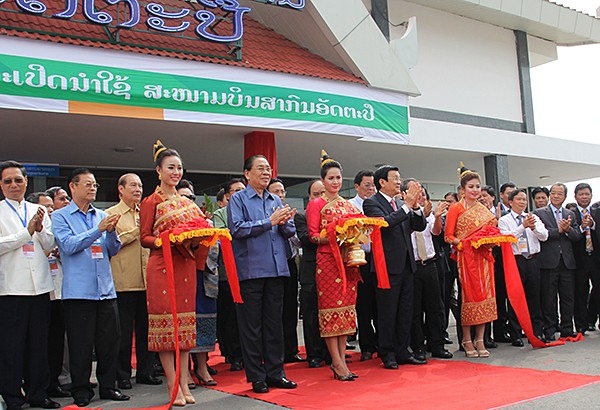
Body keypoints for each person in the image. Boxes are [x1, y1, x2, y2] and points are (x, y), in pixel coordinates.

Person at [140, 141, 208, 406]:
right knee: (166, 329)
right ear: (158, 171)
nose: (175, 172)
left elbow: (195, 237)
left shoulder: (186, 203)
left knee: (185, 327)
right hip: (161, 266)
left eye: (179, 167)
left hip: (185, 266)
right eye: (170, 167)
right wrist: (165, 240)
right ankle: (172, 383)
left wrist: (195, 238)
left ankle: (184, 380)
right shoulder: (151, 201)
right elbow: (144, 236)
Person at [52, 168, 128, 406]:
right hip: (79, 292)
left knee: (109, 343)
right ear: (73, 187)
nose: (93, 188)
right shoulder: (61, 216)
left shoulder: (101, 215)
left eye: (95, 184)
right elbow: (68, 245)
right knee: (81, 345)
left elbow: (112, 250)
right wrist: (99, 229)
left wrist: (112, 233)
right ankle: (81, 389)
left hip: (105, 290)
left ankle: (108, 386)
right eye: (87, 184)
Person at [228, 155, 298, 394]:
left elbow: (288, 231)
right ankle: (257, 376)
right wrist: (269, 222)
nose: (266, 173)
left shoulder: (275, 199)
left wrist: (286, 221)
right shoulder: (238, 199)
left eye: (268, 169)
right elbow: (236, 229)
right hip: (251, 271)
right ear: (247, 174)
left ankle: (276, 372)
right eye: (261, 169)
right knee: (251, 326)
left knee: (273, 324)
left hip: (277, 270)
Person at [0, 161, 59, 410]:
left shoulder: (38, 209)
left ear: (26, 181)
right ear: (1, 185)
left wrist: (41, 228)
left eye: (18, 180)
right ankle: (12, 395)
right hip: (11, 288)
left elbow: (48, 244)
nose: (14, 185)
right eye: (8, 181)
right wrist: (27, 232)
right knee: (11, 346)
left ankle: (39, 393)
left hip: (40, 287)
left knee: (39, 344)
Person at [363, 166, 427, 369]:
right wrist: (407, 208)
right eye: (395, 179)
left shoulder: (402, 203)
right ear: (382, 182)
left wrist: (415, 208)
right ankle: (387, 352)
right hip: (386, 267)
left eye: (399, 179)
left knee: (406, 310)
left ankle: (402, 350)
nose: (399, 182)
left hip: (407, 264)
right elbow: (384, 224)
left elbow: (419, 226)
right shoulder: (371, 202)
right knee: (387, 311)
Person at [306, 153, 362, 380]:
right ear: (323, 180)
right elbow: (312, 236)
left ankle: (341, 360)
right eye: (331, 178)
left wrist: (352, 236)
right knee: (331, 311)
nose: (336, 182)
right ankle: (337, 363)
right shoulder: (316, 204)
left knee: (346, 311)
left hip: (348, 262)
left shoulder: (347, 205)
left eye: (338, 177)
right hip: (328, 262)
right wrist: (334, 235)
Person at [105, 174, 160, 390]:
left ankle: (146, 371)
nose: (138, 189)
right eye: (133, 185)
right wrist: (139, 231)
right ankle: (123, 374)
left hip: (148, 281)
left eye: (140, 185)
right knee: (124, 333)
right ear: (121, 189)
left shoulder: (146, 213)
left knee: (148, 331)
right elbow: (114, 243)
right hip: (124, 282)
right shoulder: (110, 214)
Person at [444, 167, 498, 358]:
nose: (475, 190)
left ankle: (480, 339)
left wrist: (489, 241)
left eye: (477, 187)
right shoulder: (455, 209)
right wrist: (465, 244)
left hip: (484, 259)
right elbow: (448, 236)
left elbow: (490, 234)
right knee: (468, 297)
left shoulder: (483, 210)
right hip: (465, 260)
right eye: (471, 187)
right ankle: (467, 339)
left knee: (485, 297)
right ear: (462, 189)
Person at [175, 180, 218, 388]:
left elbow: (216, 249)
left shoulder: (205, 222)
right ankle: (185, 372)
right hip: (181, 279)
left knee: (204, 321)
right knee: (185, 323)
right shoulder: (171, 221)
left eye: (191, 197)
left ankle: (202, 366)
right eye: (183, 197)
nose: (188, 201)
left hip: (204, 278)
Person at [498, 188, 548, 344]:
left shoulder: (533, 217)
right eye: (519, 199)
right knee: (516, 297)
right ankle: (516, 333)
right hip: (516, 261)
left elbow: (544, 236)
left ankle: (536, 331)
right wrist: (522, 227)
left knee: (535, 297)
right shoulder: (504, 220)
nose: (522, 202)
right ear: (511, 202)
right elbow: (506, 238)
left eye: (524, 200)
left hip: (533, 260)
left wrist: (533, 227)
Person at [408, 184, 452, 360]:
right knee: (415, 310)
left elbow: (436, 232)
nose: (421, 198)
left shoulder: (431, 214)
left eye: (423, 195)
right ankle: (418, 346)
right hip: (413, 266)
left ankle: (437, 344)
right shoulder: (405, 214)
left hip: (431, 264)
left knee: (436, 307)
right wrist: (421, 215)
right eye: (417, 195)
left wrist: (437, 216)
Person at [533, 183, 581, 340]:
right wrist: (558, 231)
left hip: (567, 261)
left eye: (559, 194)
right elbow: (541, 234)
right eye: (553, 193)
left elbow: (576, 236)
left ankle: (567, 327)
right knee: (549, 297)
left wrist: (568, 230)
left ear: (565, 196)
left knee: (568, 297)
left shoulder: (570, 214)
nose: (555, 196)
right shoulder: (539, 213)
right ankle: (550, 329)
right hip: (548, 261)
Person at [267, 178, 304, 364]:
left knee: (291, 309)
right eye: (276, 192)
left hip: (290, 263)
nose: (280, 195)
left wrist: (288, 223)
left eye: (282, 191)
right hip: (273, 266)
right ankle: (276, 352)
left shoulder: (290, 216)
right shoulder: (267, 215)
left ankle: (291, 349)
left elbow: (298, 242)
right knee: (275, 311)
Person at [295, 180, 328, 368]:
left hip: (331, 270)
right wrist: (329, 232)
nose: (320, 197)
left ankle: (330, 353)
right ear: (309, 197)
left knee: (330, 311)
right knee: (311, 314)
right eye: (316, 194)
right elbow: (306, 239)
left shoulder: (335, 213)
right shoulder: (302, 217)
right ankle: (314, 354)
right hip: (311, 271)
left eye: (323, 193)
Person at [214, 178, 245, 372]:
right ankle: (233, 355)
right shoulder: (220, 214)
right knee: (229, 318)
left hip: (248, 272)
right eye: (236, 191)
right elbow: (222, 237)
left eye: (243, 190)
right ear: (228, 196)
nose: (240, 193)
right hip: (227, 274)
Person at [348, 169, 378, 362]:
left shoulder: (379, 204)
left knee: (381, 304)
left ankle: (383, 343)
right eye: (367, 185)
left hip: (380, 259)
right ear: (357, 186)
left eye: (373, 185)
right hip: (360, 260)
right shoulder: (349, 206)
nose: (371, 189)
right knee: (364, 306)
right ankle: (367, 346)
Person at [571, 183, 600, 332]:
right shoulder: (570, 213)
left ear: (591, 195)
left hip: (596, 257)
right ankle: (581, 325)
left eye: (586, 194)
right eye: (581, 194)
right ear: (575, 196)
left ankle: (593, 320)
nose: (584, 197)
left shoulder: (597, 211)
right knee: (580, 292)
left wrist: (593, 225)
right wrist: (582, 227)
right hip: (579, 259)